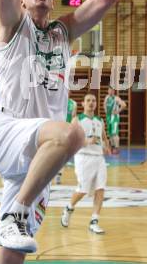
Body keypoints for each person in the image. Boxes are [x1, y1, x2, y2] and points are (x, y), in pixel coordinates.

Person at [0, 0, 118, 264]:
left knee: (13, 252)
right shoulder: (14, 27)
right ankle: (17, 211)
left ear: (53, 1)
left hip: (38, 156)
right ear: (22, 1)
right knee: (74, 132)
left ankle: (16, 214)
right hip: (9, 132)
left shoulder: (63, 32)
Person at [61, 93, 110, 234]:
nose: (91, 103)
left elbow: (104, 137)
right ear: (83, 104)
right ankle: (69, 207)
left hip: (99, 158)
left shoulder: (99, 120)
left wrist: (107, 146)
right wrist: (86, 142)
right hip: (83, 157)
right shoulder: (77, 120)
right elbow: (68, 138)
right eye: (88, 100)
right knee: (83, 190)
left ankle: (94, 221)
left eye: (94, 100)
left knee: (100, 189)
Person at [55, 96, 77, 184]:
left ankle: (58, 175)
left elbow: (74, 116)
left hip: (67, 130)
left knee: (62, 154)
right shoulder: (58, 100)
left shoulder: (73, 103)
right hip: (58, 128)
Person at [104, 86, 126, 154]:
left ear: (113, 91)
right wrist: (106, 111)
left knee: (114, 133)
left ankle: (117, 148)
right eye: (109, 90)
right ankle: (112, 147)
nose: (110, 91)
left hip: (114, 117)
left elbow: (124, 105)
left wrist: (118, 111)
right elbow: (104, 105)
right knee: (110, 134)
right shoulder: (107, 98)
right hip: (108, 117)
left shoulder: (116, 98)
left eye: (111, 90)